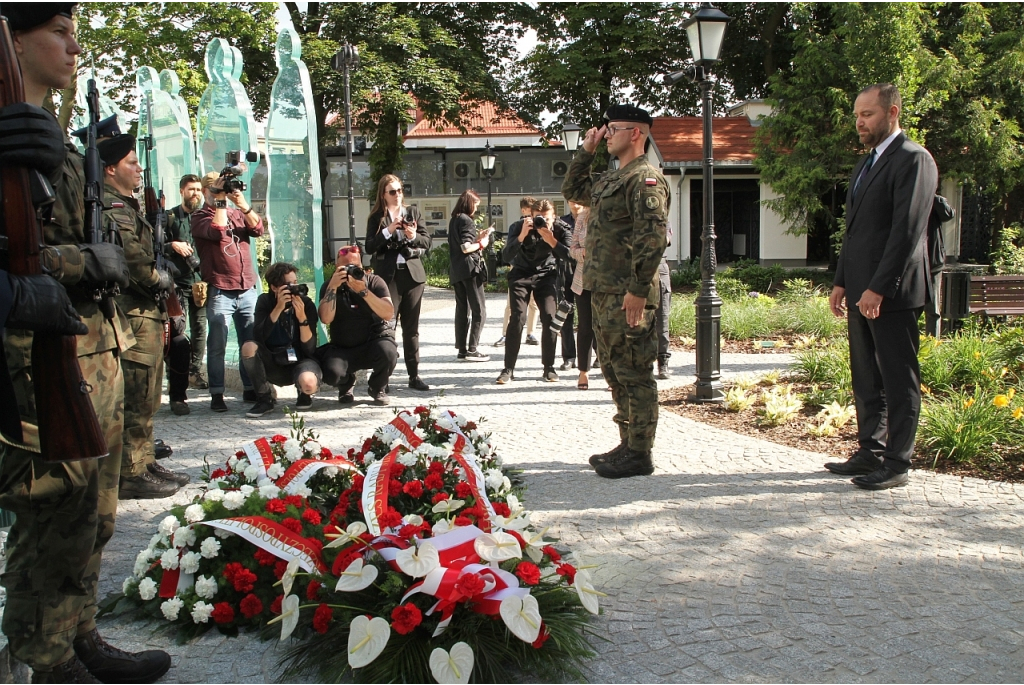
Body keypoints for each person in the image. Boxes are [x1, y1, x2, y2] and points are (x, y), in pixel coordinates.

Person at [0, 4, 172, 682]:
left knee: (95, 510)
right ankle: (43, 656)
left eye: (76, 32)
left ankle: (80, 634)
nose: (73, 46)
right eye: (57, 33)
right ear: (14, 42)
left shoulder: (63, 144)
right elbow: (24, 252)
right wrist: (81, 263)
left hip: (95, 347)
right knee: (52, 507)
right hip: (35, 349)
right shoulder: (14, 142)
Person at [826, 83, 939, 490]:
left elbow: (907, 232)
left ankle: (897, 462)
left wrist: (879, 287)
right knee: (866, 376)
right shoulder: (865, 163)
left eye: (867, 114)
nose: (859, 122)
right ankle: (869, 450)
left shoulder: (914, 160)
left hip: (892, 293)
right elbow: (853, 232)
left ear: (892, 113)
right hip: (859, 289)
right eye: (857, 114)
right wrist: (841, 281)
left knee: (897, 376)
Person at [562, 104, 669, 479]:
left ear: (635, 133)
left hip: (628, 293)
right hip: (603, 291)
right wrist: (586, 150)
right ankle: (627, 443)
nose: (606, 134)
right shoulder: (611, 179)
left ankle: (640, 453)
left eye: (613, 129)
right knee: (613, 371)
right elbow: (573, 189)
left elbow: (652, 238)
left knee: (635, 372)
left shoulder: (645, 180)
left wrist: (638, 290)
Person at [102, 129, 189, 499]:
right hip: (134, 309)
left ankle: (145, 460)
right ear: (110, 169)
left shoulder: (128, 204)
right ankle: (131, 472)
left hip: (146, 311)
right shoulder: (114, 208)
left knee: (151, 394)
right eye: (131, 163)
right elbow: (136, 263)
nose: (138, 169)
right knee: (137, 395)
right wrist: (162, 279)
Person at [191, 170, 265, 412]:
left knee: (250, 341)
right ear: (205, 192)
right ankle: (217, 394)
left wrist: (241, 203)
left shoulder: (235, 213)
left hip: (246, 287)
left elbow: (258, 229)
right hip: (220, 289)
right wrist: (221, 200)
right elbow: (217, 230)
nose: (218, 194)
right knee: (217, 344)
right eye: (214, 189)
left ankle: (250, 388)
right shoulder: (200, 216)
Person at [365, 174, 432, 391]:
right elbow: (369, 247)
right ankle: (383, 378)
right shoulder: (377, 217)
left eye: (400, 190)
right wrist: (389, 230)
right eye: (392, 192)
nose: (397, 195)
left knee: (411, 329)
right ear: (383, 194)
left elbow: (427, 241)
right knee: (387, 326)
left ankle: (414, 376)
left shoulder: (413, 212)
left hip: (412, 276)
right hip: (388, 277)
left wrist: (412, 236)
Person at [497, 199, 572, 384]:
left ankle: (549, 368)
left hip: (546, 275)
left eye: (546, 218)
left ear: (554, 216)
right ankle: (508, 369)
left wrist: (551, 240)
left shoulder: (561, 229)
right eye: (538, 218)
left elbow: (571, 256)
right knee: (518, 317)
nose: (542, 222)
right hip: (521, 274)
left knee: (549, 317)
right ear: (530, 216)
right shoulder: (518, 226)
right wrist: (521, 236)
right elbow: (506, 256)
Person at [318, 245, 397, 405]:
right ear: (336, 268)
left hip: (373, 342)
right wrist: (333, 287)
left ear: (363, 267)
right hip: (343, 347)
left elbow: (388, 313)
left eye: (356, 267)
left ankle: (377, 387)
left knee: (389, 353)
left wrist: (364, 291)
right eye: (346, 268)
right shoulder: (329, 286)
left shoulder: (374, 282)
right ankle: (346, 384)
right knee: (331, 372)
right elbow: (325, 318)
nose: (350, 272)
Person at [241, 262, 321, 417]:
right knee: (248, 347)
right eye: (288, 285)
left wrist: (302, 318)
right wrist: (278, 308)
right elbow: (258, 336)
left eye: (295, 283)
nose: (293, 289)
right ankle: (264, 398)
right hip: (274, 359)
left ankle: (304, 393)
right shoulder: (265, 301)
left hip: (300, 360)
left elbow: (310, 348)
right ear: (274, 288)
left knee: (309, 383)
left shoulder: (306, 303)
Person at [166, 173, 209, 391]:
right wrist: (172, 245)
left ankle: (195, 371)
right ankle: (176, 373)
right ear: (182, 190)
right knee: (177, 329)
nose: (195, 193)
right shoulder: (169, 217)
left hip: (200, 282)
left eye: (199, 190)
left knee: (200, 328)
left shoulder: (205, 217)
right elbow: (154, 246)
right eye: (191, 189)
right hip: (177, 283)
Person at [448, 190, 491, 362]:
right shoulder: (466, 220)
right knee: (479, 310)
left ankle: (462, 349)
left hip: (456, 269)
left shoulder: (454, 220)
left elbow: (461, 244)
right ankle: (473, 349)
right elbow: (466, 248)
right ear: (469, 204)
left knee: (462, 310)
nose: (476, 209)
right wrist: (482, 243)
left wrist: (476, 238)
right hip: (470, 269)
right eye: (475, 205)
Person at [496, 197, 539, 348]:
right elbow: (510, 248)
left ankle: (531, 332)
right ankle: (506, 334)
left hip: (535, 268)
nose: (532, 212)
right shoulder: (516, 226)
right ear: (523, 210)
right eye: (530, 209)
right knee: (511, 304)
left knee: (533, 303)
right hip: (518, 267)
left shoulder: (538, 225)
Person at [569, 206, 597, 390]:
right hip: (583, 280)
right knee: (585, 327)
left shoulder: (616, 214)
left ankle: (610, 373)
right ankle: (583, 371)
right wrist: (584, 253)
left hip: (609, 282)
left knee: (606, 329)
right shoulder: (582, 216)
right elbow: (572, 249)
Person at [924, 195, 954, 337]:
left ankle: (932, 342)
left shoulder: (935, 201)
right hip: (911, 262)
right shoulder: (909, 197)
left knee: (933, 307)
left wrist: (935, 198)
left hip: (933, 261)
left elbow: (948, 215)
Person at [558, 200, 582, 370]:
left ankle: (595, 354)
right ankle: (569, 357)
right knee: (565, 314)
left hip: (585, 273)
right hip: (566, 273)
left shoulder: (591, 220)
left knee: (588, 316)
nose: (575, 203)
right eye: (572, 199)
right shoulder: (562, 222)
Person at [655, 255, 672, 379]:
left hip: (658, 267)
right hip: (634, 268)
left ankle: (663, 361)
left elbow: (665, 239)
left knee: (662, 319)